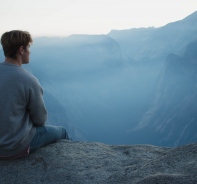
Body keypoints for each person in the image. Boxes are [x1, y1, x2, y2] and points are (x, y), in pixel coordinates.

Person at [0, 30, 71, 159]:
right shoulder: (28, 80)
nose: (30, 51)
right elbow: (40, 119)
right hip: (14, 147)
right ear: (21, 50)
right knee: (63, 132)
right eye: (28, 47)